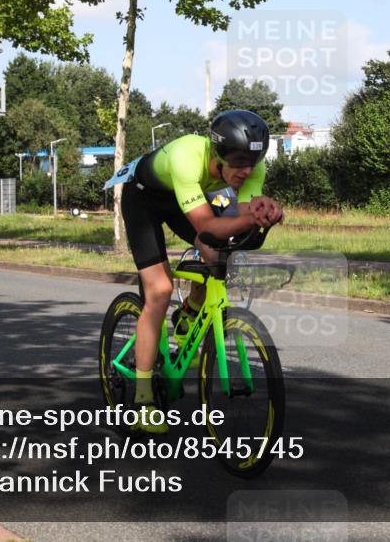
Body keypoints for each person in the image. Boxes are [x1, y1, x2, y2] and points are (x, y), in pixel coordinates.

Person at [111, 110, 284, 434]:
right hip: (144, 199)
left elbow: (239, 212)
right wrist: (247, 218)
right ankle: (143, 398)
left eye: (253, 162)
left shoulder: (249, 168)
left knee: (216, 253)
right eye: (239, 162)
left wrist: (264, 210)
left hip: (187, 198)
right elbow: (207, 223)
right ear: (218, 154)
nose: (247, 171)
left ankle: (188, 313)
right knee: (160, 291)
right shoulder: (187, 155)